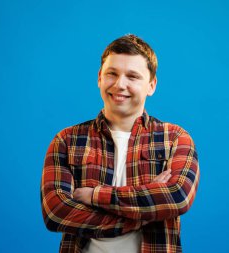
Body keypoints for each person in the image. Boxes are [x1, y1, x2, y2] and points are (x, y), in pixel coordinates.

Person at [41, 34, 200, 253]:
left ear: (151, 85)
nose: (119, 84)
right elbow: (56, 212)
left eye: (132, 76)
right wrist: (142, 214)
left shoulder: (175, 138)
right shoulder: (67, 140)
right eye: (112, 74)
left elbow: (176, 197)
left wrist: (94, 195)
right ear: (99, 77)